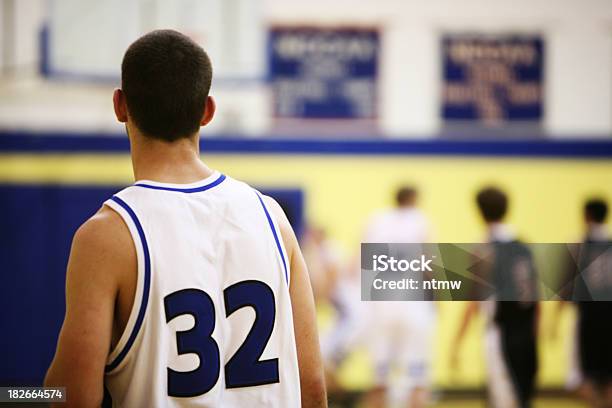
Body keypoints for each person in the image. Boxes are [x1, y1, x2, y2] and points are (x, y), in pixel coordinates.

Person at [44, 30, 326, 408]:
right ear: (207, 111)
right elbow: (313, 388)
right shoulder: (271, 217)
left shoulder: (107, 235)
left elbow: (69, 397)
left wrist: (12, 393)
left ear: (120, 106)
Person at [334, 186, 435, 408]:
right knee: (416, 379)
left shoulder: (376, 220)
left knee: (380, 379)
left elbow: (354, 264)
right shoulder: (419, 220)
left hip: (380, 307)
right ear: (414, 199)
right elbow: (428, 262)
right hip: (412, 305)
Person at [452, 187, 538, 408]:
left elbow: (473, 301)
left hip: (501, 333)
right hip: (526, 332)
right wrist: (535, 333)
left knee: (503, 398)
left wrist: (456, 342)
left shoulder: (483, 249)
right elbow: (536, 298)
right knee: (523, 396)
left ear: (479, 212)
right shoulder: (524, 247)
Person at [556, 198, 612, 407]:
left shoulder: (579, 244)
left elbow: (565, 284)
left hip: (588, 317)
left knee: (584, 377)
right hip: (609, 317)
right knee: (607, 376)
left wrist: (554, 318)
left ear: (586, 215)